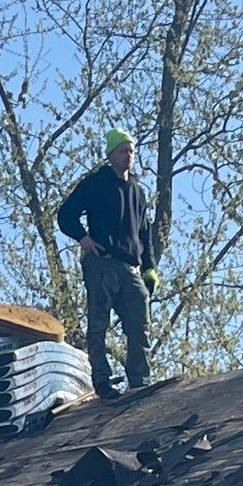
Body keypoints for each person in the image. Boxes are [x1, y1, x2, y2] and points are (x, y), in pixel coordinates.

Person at [55, 128, 159, 396]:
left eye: (131, 151)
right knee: (99, 323)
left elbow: (145, 233)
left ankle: (139, 380)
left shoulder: (138, 192)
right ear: (111, 154)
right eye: (123, 151)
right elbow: (66, 214)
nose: (129, 155)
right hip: (102, 262)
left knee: (139, 324)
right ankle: (102, 378)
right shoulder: (96, 184)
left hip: (130, 267)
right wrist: (83, 238)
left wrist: (149, 267)